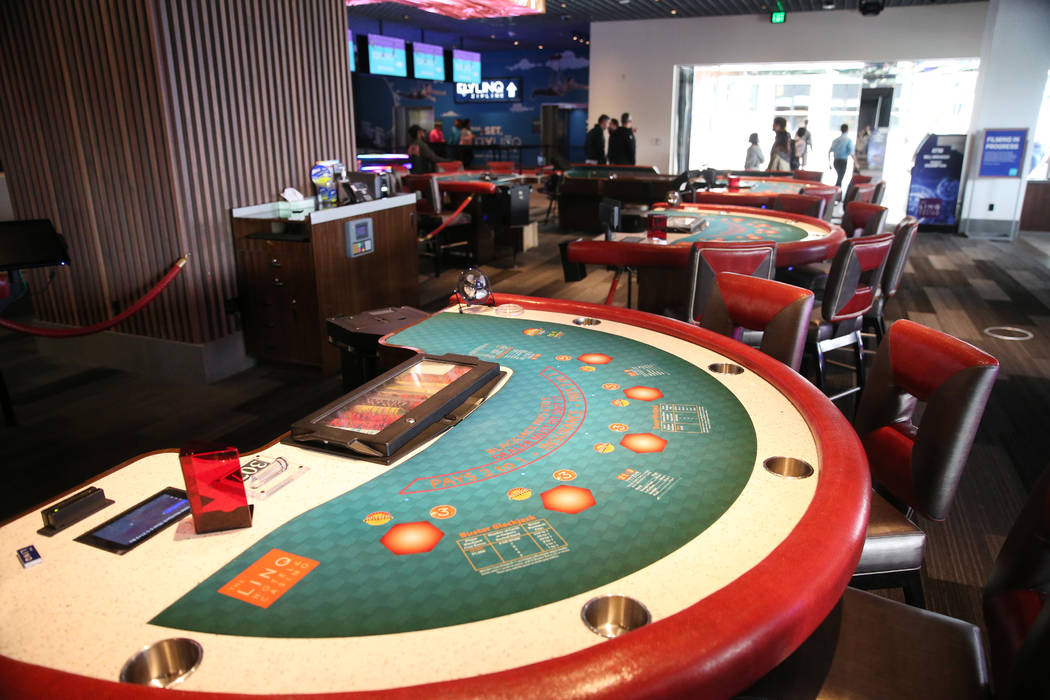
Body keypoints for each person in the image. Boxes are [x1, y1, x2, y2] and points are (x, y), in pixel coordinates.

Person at [828, 124, 855, 188]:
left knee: (839, 177)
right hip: (843, 161)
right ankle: (837, 190)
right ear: (847, 130)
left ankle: (837, 189)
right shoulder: (848, 140)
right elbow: (851, 153)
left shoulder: (835, 140)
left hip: (836, 161)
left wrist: (829, 163)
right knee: (840, 178)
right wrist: (856, 163)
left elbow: (829, 151)